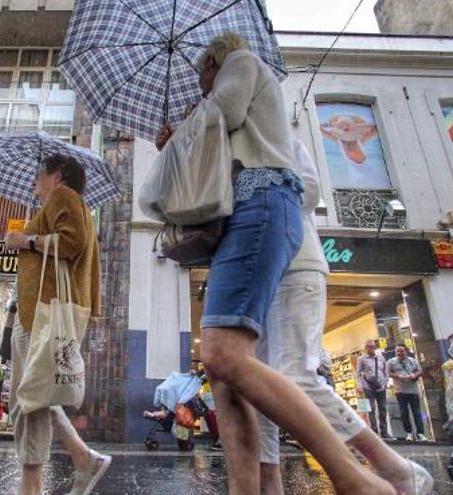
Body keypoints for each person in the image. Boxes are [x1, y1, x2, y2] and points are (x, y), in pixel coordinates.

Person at [156, 32, 395, 494]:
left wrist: (188, 129)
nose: (200, 84)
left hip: (269, 226)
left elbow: (227, 124)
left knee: (246, 362)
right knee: (227, 374)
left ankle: (360, 477)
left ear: (214, 63)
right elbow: (206, 173)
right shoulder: (234, 131)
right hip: (241, 228)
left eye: (202, 73)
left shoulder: (242, 70)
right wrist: (177, 146)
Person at [255, 141, 433, 494]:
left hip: (294, 265)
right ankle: (268, 485)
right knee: (253, 386)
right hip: (252, 275)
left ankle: (393, 466)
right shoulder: (218, 139)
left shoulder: (274, 134)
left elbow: (307, 191)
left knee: (293, 377)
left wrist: (247, 190)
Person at [3, 154, 109, 495]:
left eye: (39, 175)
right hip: (38, 312)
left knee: (29, 397)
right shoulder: (60, 204)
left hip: (45, 313)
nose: (35, 182)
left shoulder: (64, 197)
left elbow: (72, 242)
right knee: (34, 391)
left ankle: (31, 484)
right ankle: (82, 457)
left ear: (57, 175)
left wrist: (26, 241)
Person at [387, 344, 428, 442]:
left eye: (402, 351)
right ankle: (409, 433)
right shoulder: (391, 362)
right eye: (398, 351)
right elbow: (388, 373)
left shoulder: (412, 361)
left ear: (406, 351)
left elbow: (420, 371)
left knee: (417, 412)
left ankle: (420, 433)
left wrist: (414, 375)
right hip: (400, 391)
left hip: (413, 391)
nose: (400, 353)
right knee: (404, 413)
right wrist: (398, 376)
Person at [357, 340, 391, 439]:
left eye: (371, 346)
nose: (369, 348)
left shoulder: (381, 358)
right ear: (365, 348)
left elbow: (385, 371)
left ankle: (384, 432)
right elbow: (358, 373)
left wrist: (385, 382)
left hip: (381, 387)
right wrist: (360, 385)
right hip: (368, 387)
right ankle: (374, 431)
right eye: (367, 346)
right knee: (371, 409)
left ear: (374, 347)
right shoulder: (362, 359)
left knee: (383, 409)